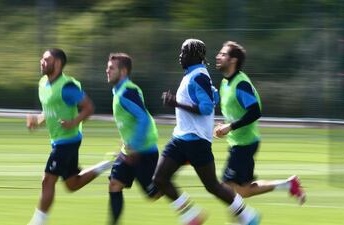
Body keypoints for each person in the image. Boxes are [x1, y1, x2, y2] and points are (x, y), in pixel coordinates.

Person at [153, 39, 260, 225]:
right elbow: (214, 97)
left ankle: (247, 215)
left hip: (196, 142)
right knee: (160, 179)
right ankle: (191, 216)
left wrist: (176, 103)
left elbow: (206, 108)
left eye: (184, 52)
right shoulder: (194, 75)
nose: (180, 56)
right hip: (180, 138)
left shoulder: (199, 76)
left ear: (195, 55)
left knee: (213, 186)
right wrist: (212, 94)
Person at [26, 48, 113, 225]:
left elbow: (89, 107)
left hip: (67, 142)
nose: (41, 61)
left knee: (47, 180)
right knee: (72, 184)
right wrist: (38, 121)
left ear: (57, 63)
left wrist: (74, 122)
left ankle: (37, 223)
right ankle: (106, 165)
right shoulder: (43, 83)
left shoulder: (67, 87)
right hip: (61, 140)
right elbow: (50, 111)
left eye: (46, 59)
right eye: (41, 58)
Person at [214, 41, 306, 204]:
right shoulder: (225, 83)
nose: (218, 56)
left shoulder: (241, 84)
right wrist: (224, 125)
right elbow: (236, 112)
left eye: (223, 54)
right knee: (244, 190)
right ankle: (288, 184)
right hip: (240, 143)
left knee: (227, 187)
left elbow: (255, 111)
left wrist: (230, 127)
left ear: (233, 60)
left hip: (245, 144)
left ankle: (245, 220)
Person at [106, 53, 162, 225]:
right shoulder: (118, 91)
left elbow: (143, 118)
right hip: (129, 151)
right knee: (114, 184)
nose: (107, 71)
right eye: (107, 67)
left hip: (144, 152)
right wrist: (126, 144)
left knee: (152, 194)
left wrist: (135, 147)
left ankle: (169, 170)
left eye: (111, 68)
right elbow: (130, 121)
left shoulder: (128, 91)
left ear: (123, 71)